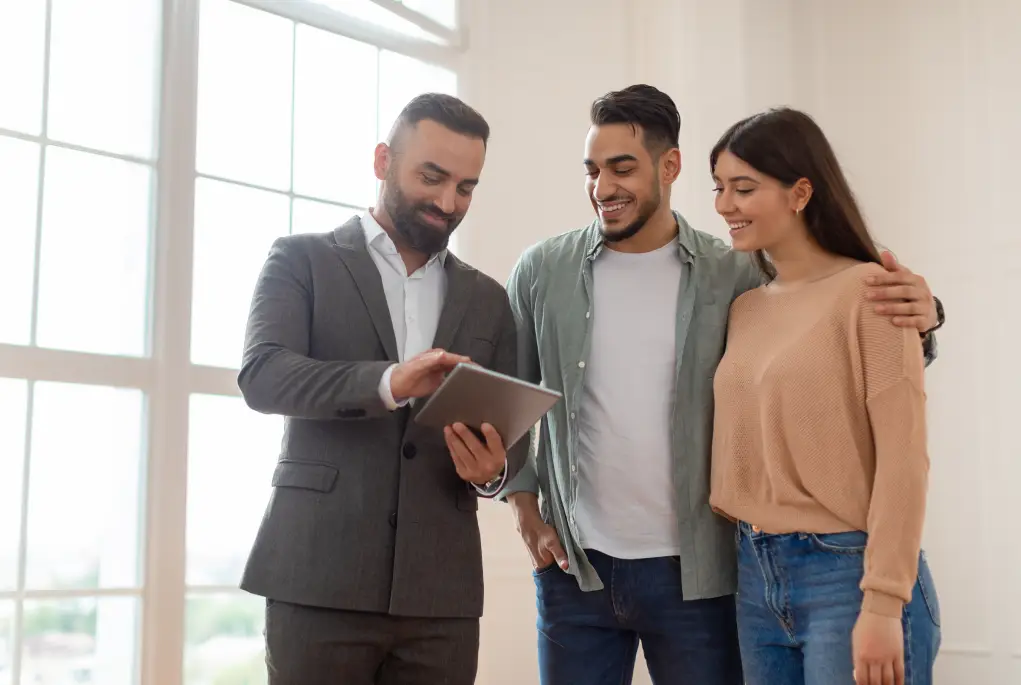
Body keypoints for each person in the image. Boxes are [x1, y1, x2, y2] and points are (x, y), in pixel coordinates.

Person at [501, 85, 945, 685]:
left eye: (622, 168)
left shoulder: (735, 273)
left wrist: (926, 313)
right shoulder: (548, 272)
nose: (603, 187)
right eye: (593, 170)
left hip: (720, 570)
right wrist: (524, 504)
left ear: (668, 166)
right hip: (610, 567)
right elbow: (513, 392)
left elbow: (882, 402)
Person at [237, 93, 528, 685]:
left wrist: (495, 469)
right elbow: (263, 375)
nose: (449, 202)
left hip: (440, 597)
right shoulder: (302, 260)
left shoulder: (489, 299)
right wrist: (389, 381)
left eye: (467, 187)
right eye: (433, 176)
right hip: (316, 577)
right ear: (382, 161)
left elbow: (510, 436)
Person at [708, 107, 941, 685]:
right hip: (756, 575)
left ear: (801, 192)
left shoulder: (871, 292)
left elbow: (903, 459)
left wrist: (885, 601)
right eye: (718, 188)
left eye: (743, 188)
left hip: (848, 574)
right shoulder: (746, 308)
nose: (724, 206)